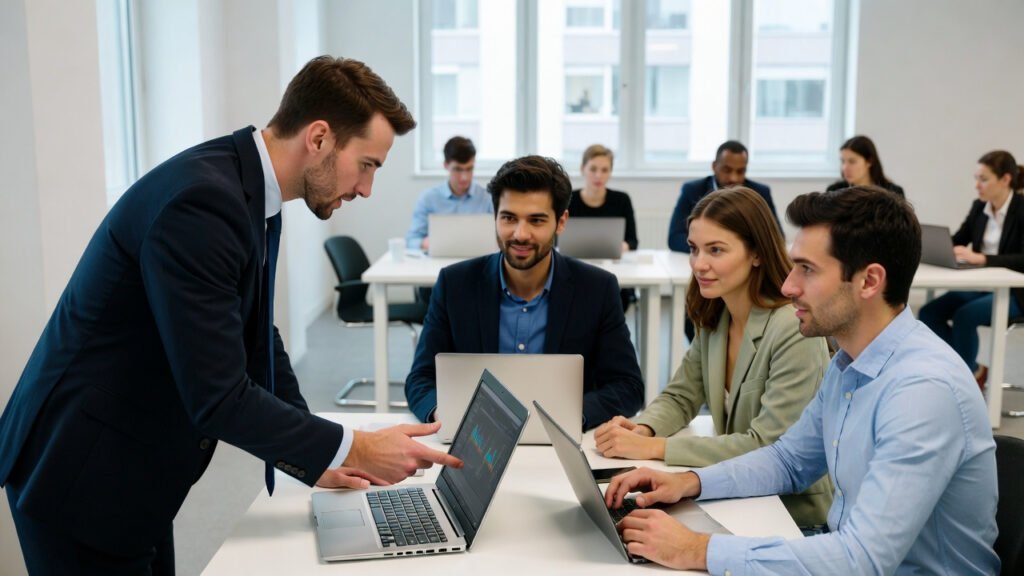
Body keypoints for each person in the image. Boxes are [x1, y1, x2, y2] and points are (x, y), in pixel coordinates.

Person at [0, 56, 463, 575]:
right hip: (81, 472)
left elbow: (254, 333)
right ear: (319, 138)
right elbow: (217, 395)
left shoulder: (243, 188)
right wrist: (353, 448)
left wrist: (325, 459)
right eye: (369, 165)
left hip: (132, 464)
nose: (366, 189)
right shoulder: (204, 202)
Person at [606, 186, 999, 575]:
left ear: (869, 281)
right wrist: (687, 482)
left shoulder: (922, 391)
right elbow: (788, 461)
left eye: (807, 269)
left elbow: (862, 559)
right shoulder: (849, 363)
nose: (789, 285)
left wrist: (698, 550)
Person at [593, 187, 832, 529]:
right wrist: (643, 428)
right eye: (694, 249)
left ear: (757, 254)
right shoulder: (716, 313)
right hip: (734, 498)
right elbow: (681, 395)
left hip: (791, 516)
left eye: (716, 250)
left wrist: (654, 447)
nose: (699, 264)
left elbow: (767, 447)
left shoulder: (792, 330)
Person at [404, 155, 645, 430]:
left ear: (561, 221)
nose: (520, 234)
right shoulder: (455, 284)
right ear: (494, 217)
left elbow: (628, 387)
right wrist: (441, 413)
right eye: (509, 218)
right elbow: (420, 378)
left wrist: (568, 417)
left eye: (536, 220)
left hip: (560, 442)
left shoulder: (597, 288)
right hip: (475, 441)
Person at [919, 150, 1024, 389]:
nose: (977, 185)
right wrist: (944, 248)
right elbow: (958, 239)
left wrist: (983, 258)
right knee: (929, 314)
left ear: (1005, 180)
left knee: (965, 316)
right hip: (981, 286)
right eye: (976, 178)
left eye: (983, 179)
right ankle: (972, 369)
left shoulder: (1021, 209)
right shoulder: (980, 207)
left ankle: (963, 384)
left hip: (1016, 293)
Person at [667, 140, 782, 253]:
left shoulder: (760, 192)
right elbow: (675, 238)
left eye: (740, 171)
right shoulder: (693, 190)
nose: (734, 178)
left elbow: (777, 236)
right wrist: (714, 249)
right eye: (727, 170)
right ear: (714, 166)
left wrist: (736, 251)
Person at [568, 144, 638, 311]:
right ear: (582, 169)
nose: (598, 175)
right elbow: (557, 239)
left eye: (605, 170)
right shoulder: (569, 200)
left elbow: (633, 240)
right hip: (576, 272)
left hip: (614, 273)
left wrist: (622, 246)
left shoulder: (621, 200)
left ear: (610, 172)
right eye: (593, 169)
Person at [405, 135, 492, 251]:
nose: (464, 177)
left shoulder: (488, 198)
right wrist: (426, 243)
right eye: (458, 169)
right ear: (446, 165)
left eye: (469, 169)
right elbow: (411, 240)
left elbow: (499, 238)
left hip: (477, 262)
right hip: (438, 263)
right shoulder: (429, 199)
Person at [825, 135, 905, 196]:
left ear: (869, 161)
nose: (845, 168)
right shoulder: (834, 191)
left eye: (852, 161)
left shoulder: (893, 193)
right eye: (843, 161)